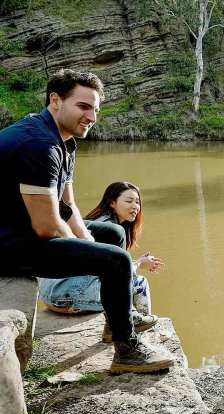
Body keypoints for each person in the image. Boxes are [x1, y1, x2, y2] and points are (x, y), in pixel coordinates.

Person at [0, 69, 173, 374]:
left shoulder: (65, 140)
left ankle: (116, 320)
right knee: (116, 261)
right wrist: (94, 256)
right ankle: (127, 352)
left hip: (24, 226)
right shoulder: (39, 145)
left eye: (95, 108)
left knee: (112, 232)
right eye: (83, 106)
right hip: (9, 243)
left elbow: (68, 205)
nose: (92, 116)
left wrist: (89, 242)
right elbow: (47, 226)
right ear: (55, 100)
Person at [38, 181, 165, 343]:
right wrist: (139, 262)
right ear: (112, 203)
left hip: (54, 294)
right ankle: (137, 337)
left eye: (137, 202)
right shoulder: (109, 229)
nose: (135, 206)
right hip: (66, 296)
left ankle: (114, 329)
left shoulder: (97, 223)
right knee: (139, 284)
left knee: (123, 280)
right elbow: (118, 275)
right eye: (129, 201)